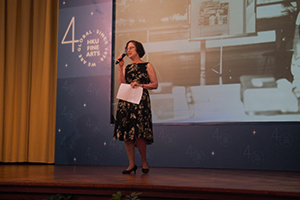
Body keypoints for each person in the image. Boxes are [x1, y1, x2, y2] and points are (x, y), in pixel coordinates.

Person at [113, 40, 158, 174]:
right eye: (127, 48)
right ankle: (131, 164)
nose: (128, 50)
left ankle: (144, 161)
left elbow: (155, 84)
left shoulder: (147, 65)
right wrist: (120, 67)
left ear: (138, 49)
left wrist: (141, 85)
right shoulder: (126, 67)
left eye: (131, 48)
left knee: (139, 134)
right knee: (127, 134)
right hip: (126, 102)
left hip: (140, 102)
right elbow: (122, 83)